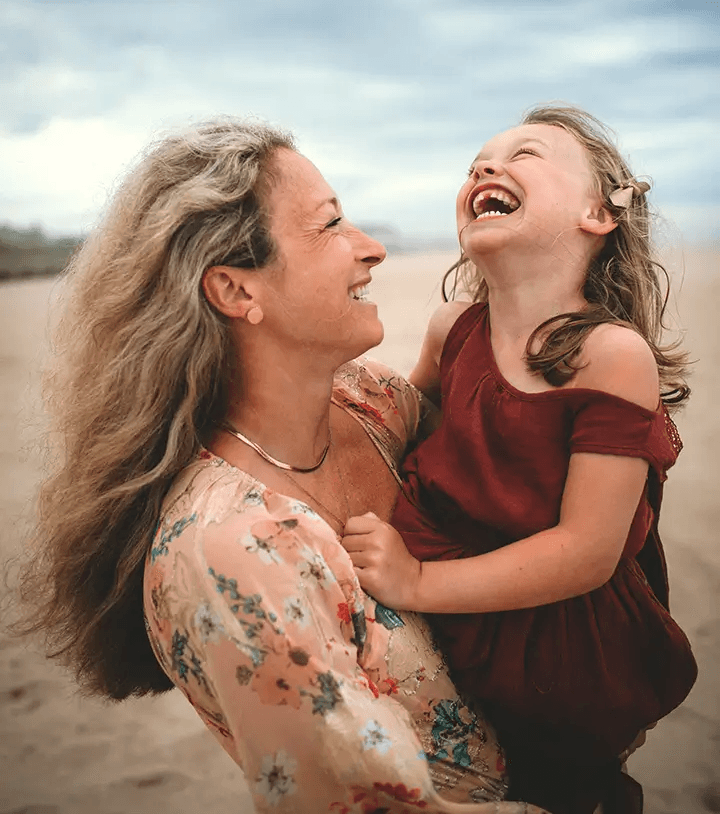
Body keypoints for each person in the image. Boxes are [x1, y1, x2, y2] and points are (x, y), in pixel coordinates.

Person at [16, 119, 547, 814]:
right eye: (331, 227)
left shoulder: (372, 402)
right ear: (236, 292)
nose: (372, 248)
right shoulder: (226, 549)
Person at [340, 105, 698, 814]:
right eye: (477, 160)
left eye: (525, 155)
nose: (485, 167)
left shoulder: (608, 355)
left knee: (554, 792)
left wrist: (414, 581)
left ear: (598, 214)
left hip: (553, 642)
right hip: (446, 605)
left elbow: (585, 551)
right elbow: (404, 437)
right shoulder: (453, 329)